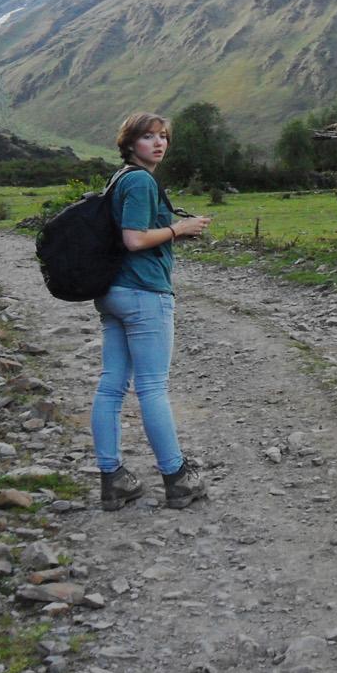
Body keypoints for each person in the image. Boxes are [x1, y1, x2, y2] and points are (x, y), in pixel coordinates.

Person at [92, 111, 212, 511]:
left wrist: (171, 232)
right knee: (153, 387)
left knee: (111, 386)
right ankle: (176, 477)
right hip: (144, 294)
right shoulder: (141, 181)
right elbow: (134, 239)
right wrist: (181, 229)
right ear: (130, 143)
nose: (158, 143)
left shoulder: (119, 179)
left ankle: (113, 479)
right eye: (148, 137)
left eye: (163, 137)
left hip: (112, 292)